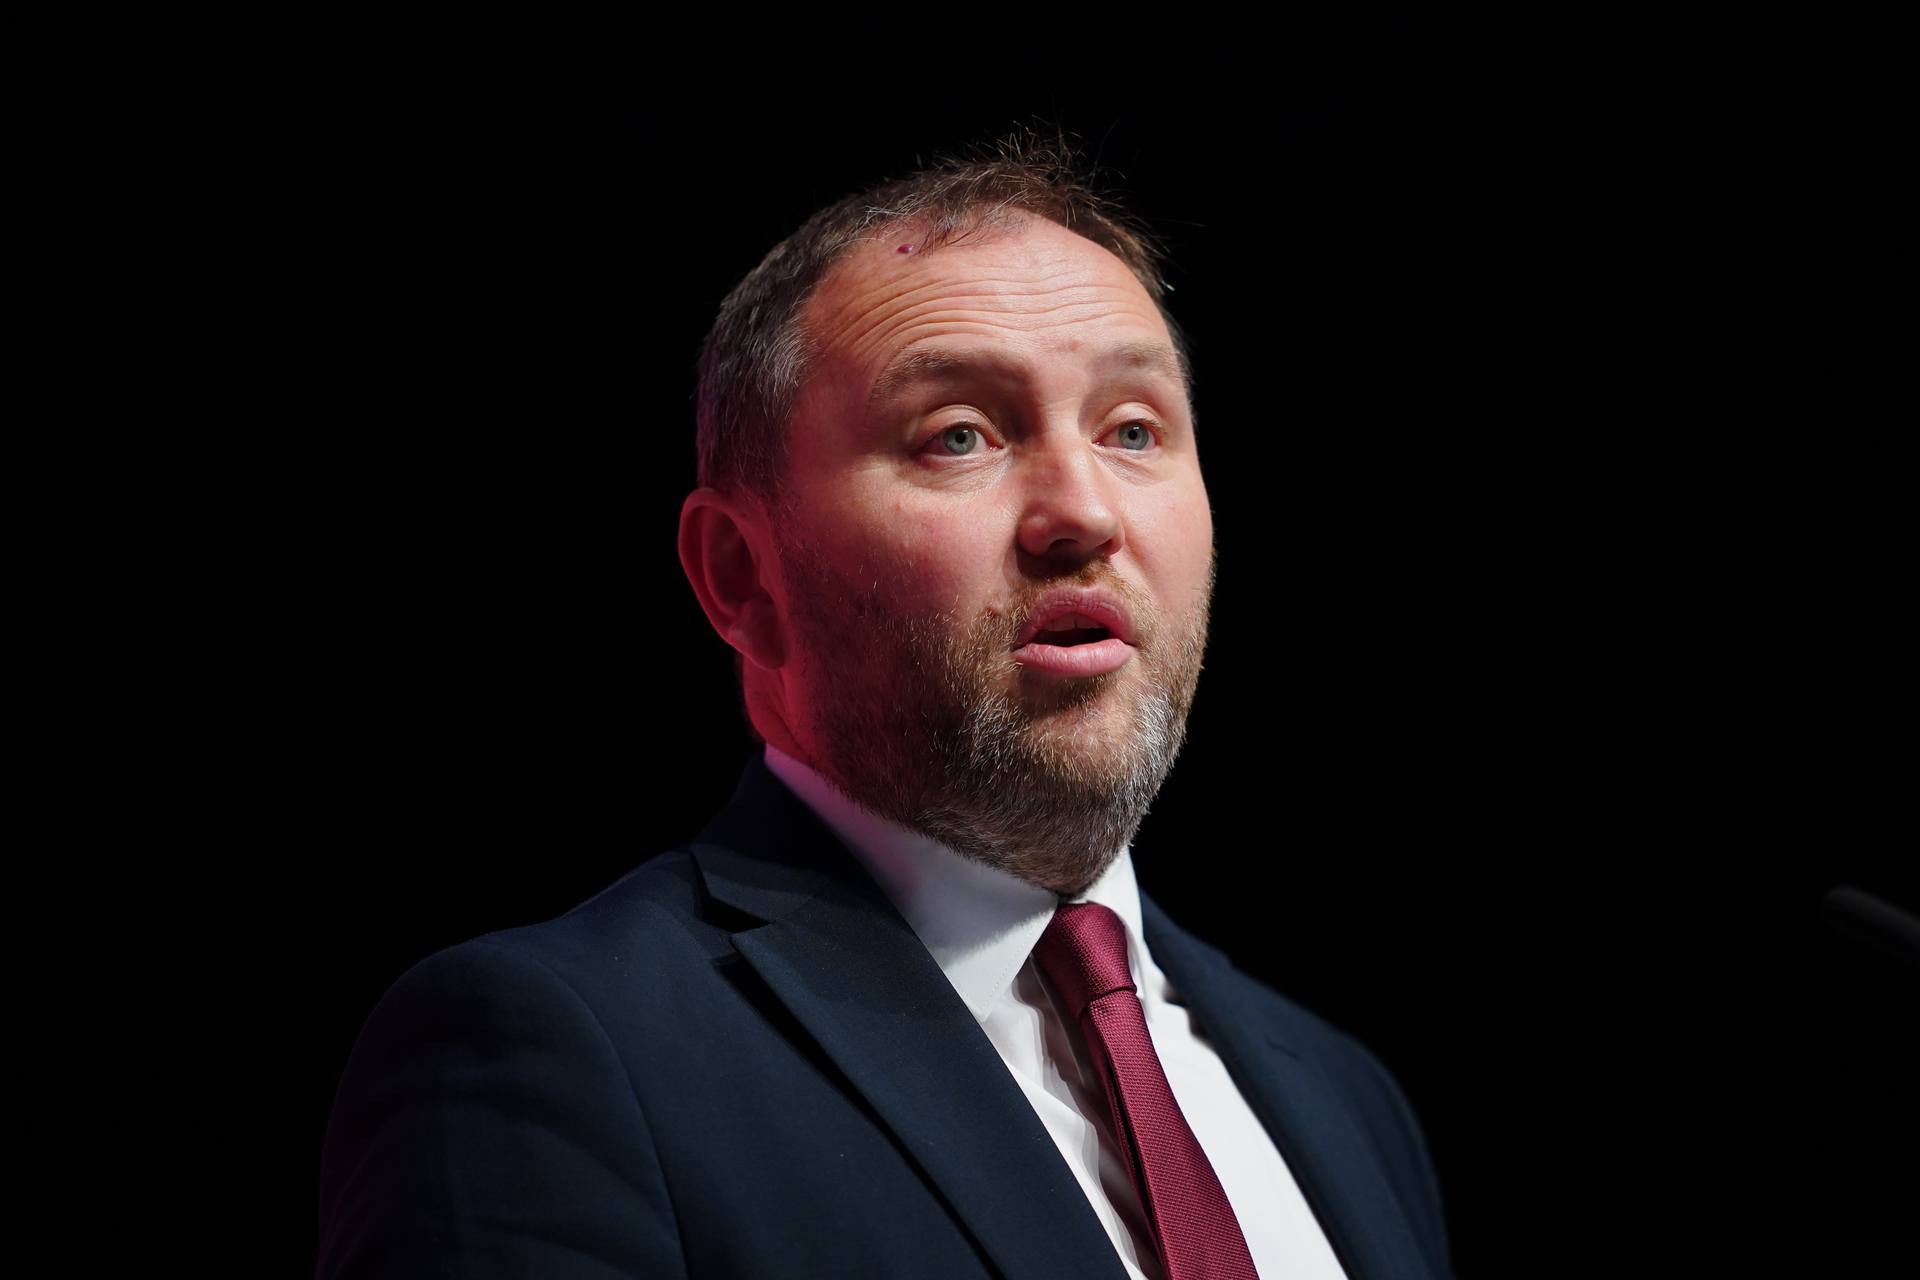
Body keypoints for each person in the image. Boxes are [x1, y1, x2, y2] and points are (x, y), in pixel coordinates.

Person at [317, 134, 1456, 1280]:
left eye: (1133, 429)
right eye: (958, 434)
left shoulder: (1343, 1098)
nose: (1085, 513)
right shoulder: (553, 1051)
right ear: (740, 576)